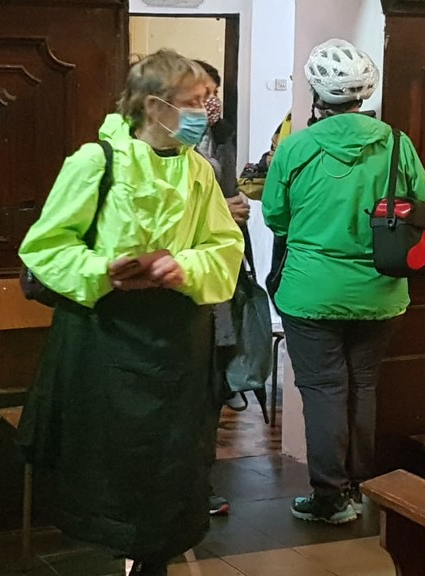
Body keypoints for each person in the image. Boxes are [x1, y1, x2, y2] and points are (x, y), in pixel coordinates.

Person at [16, 50, 245, 575]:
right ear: (154, 106)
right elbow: (46, 247)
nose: (205, 111)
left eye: (208, 100)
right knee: (110, 461)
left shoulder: (197, 169)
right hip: (106, 339)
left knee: (171, 461)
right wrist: (104, 270)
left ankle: (155, 558)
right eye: (193, 101)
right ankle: (109, 552)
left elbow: (224, 246)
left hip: (176, 343)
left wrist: (184, 266)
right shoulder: (96, 162)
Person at [261, 38, 425, 525]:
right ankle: (360, 486)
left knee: (323, 389)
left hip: (310, 291)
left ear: (316, 92)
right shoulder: (397, 144)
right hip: (381, 291)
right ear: (365, 91)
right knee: (364, 385)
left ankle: (330, 496)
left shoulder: (296, 147)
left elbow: (275, 217)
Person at [193, 59, 243, 517]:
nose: (209, 103)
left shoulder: (222, 135)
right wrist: (225, 212)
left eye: (214, 92)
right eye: (200, 94)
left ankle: (200, 484)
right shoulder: (152, 150)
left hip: (217, 289)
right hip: (180, 291)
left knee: (209, 394)